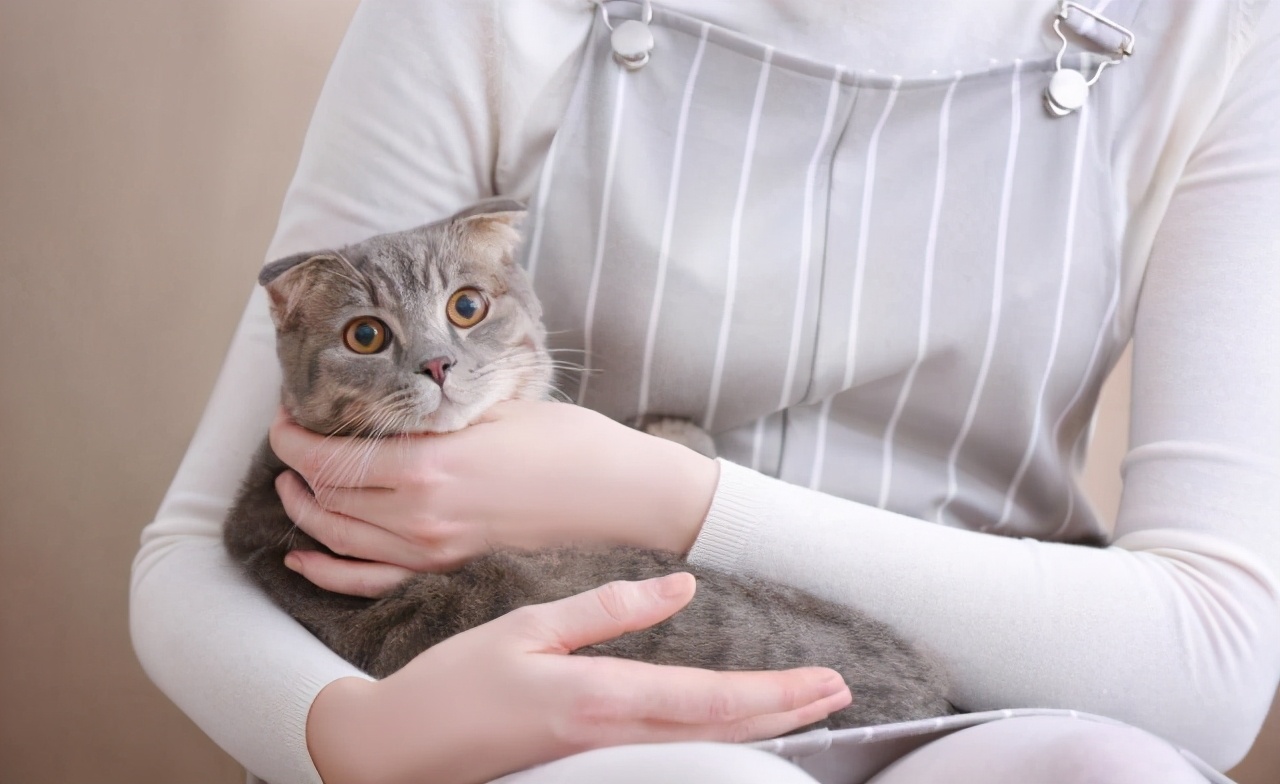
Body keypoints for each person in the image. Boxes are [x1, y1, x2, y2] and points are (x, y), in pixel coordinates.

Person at [130, 1, 1280, 783]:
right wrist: (357, 735)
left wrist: (656, 492)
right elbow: (192, 551)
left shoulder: (1219, 33)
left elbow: (1214, 660)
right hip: (547, 703)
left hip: (1012, 681)